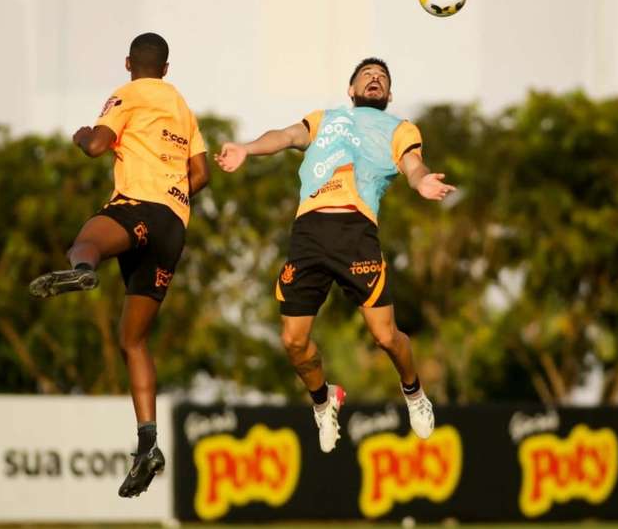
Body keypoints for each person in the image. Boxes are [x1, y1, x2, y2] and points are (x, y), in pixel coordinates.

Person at [215, 58, 455, 452]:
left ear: (389, 94)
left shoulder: (400, 128)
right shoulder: (325, 118)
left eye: (382, 78)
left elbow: (412, 164)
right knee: (293, 342)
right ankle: (324, 401)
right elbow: (286, 135)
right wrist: (246, 149)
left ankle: (414, 393)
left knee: (384, 335)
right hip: (308, 233)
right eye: (367, 76)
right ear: (351, 89)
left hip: (355, 232)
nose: (374, 79)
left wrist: (420, 181)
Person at [29, 33, 209, 496]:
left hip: (137, 208)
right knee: (133, 339)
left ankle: (85, 268)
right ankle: (147, 444)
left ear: (129, 63)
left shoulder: (126, 94)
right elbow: (201, 173)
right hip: (173, 227)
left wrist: (83, 136)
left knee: (88, 236)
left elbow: (96, 147)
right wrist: (173, 197)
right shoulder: (180, 104)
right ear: (167, 68)